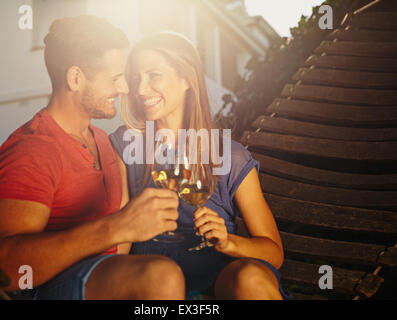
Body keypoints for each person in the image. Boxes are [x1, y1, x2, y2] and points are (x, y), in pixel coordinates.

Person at [0, 16, 186, 300]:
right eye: (115, 78)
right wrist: (118, 226)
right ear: (75, 78)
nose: (125, 89)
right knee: (161, 277)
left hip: (105, 279)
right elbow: (3, 267)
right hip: (45, 290)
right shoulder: (32, 149)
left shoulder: (104, 142)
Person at [110, 32, 289, 300]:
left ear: (186, 78)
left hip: (221, 278)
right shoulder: (125, 147)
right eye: (135, 78)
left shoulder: (230, 156)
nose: (139, 89)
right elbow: (120, 240)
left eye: (153, 75)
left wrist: (228, 242)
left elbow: (273, 253)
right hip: (153, 279)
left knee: (250, 279)